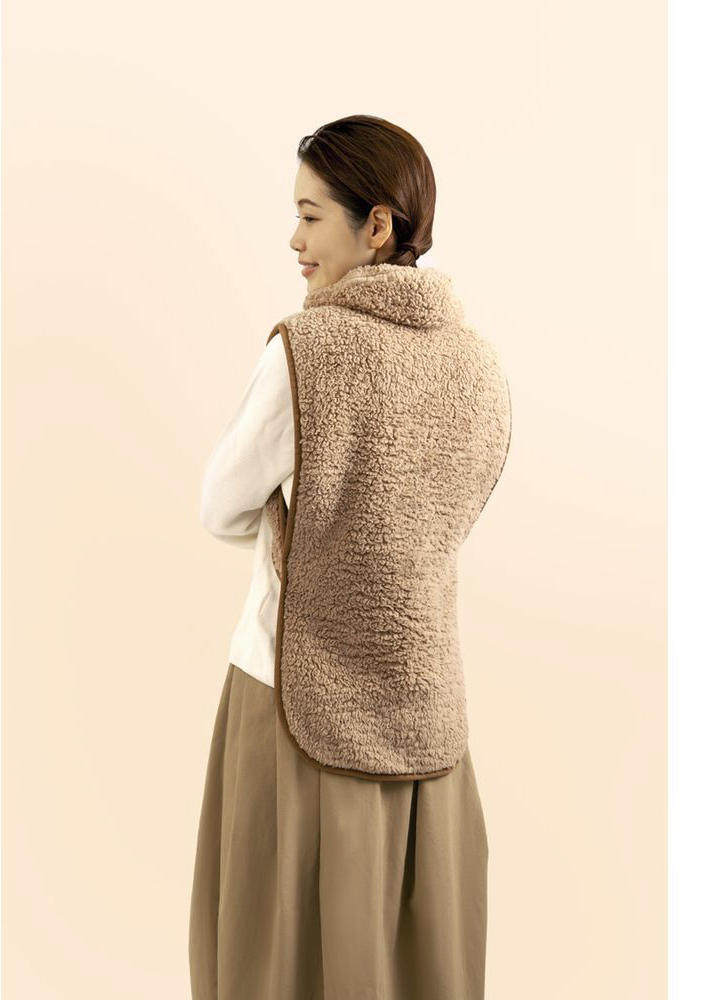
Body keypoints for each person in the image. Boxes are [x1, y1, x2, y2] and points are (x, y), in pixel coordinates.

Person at [189, 114, 512, 1000]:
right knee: (415, 965)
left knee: (275, 958)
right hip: (425, 703)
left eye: (310, 216)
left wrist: (305, 525)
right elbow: (452, 512)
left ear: (376, 225)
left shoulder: (309, 351)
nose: (294, 241)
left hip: (289, 692)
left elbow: (220, 506)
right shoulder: (479, 367)